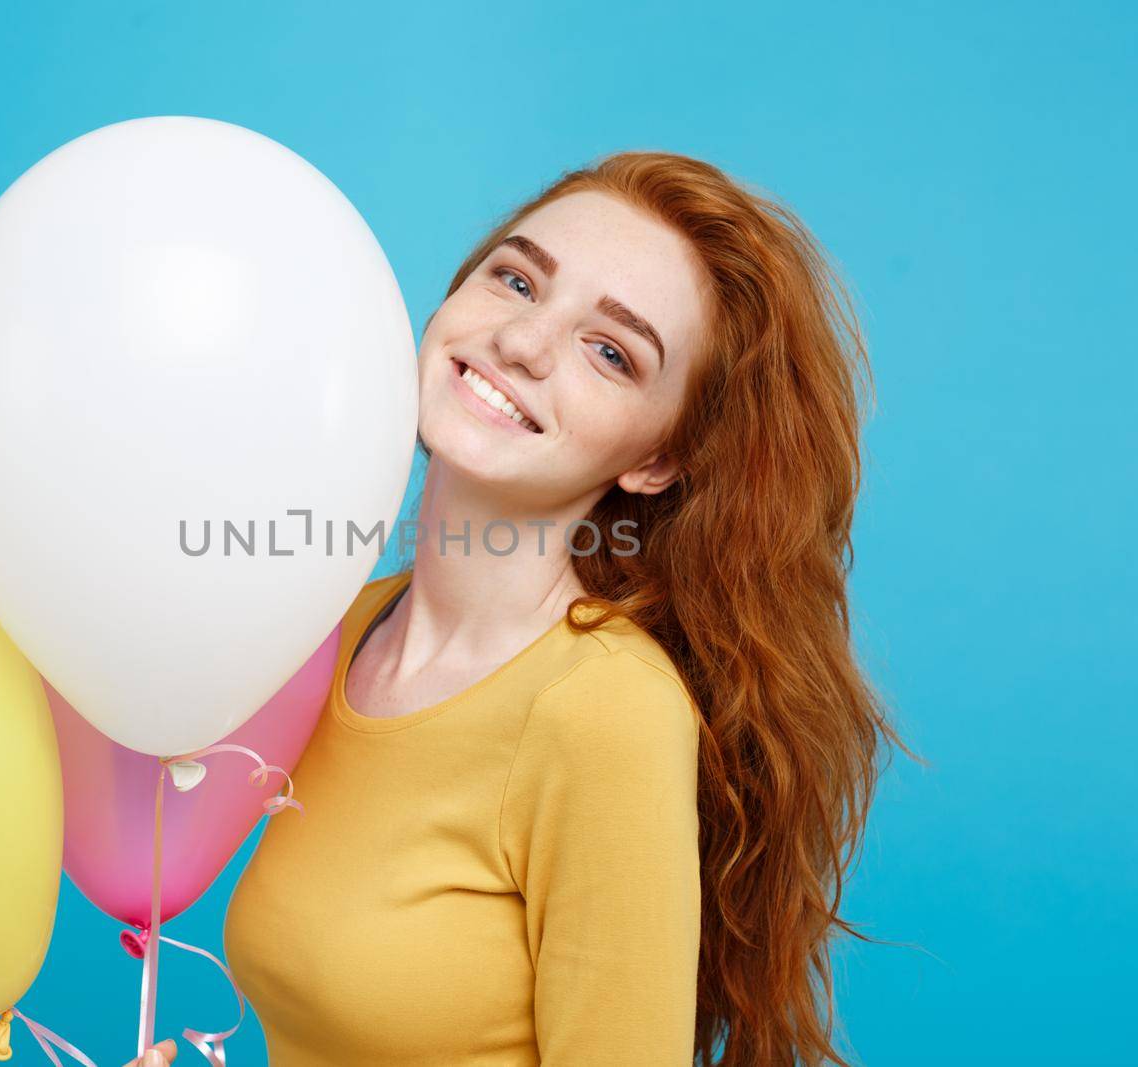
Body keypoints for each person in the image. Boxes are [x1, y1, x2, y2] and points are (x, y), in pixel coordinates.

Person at [221, 151, 901, 1066]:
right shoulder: (335, 631)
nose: (524, 343)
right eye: (516, 279)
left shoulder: (604, 712)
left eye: (611, 352)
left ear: (655, 461)